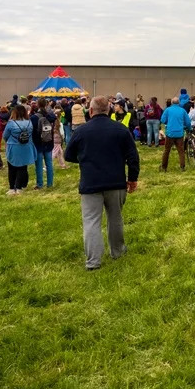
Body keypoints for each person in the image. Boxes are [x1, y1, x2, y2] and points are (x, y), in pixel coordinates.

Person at [64, 95, 140, 271]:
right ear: (110, 110)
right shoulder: (120, 130)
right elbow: (133, 157)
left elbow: (68, 155)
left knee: (91, 221)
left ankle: (93, 261)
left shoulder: (81, 131)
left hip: (90, 183)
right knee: (115, 218)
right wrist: (133, 178)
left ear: (90, 111)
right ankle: (118, 251)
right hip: (116, 182)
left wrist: (84, 159)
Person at [3, 104, 36, 196]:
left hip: (14, 147)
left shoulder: (11, 123)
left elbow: (5, 136)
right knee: (22, 168)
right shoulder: (29, 122)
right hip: (26, 147)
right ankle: (19, 188)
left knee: (12, 168)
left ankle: (11, 188)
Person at [160, 96, 192, 171]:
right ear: (179, 102)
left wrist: (168, 122)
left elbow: (163, 120)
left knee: (167, 150)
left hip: (170, 133)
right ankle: (182, 167)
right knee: (181, 151)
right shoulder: (182, 110)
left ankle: (164, 167)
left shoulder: (167, 110)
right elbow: (188, 122)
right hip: (180, 133)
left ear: (171, 102)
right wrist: (189, 128)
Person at [32, 99, 57, 189]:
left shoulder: (34, 117)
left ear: (38, 105)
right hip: (49, 141)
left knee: (39, 164)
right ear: (46, 105)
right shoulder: (51, 116)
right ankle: (50, 183)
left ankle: (40, 184)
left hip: (38, 142)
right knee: (49, 163)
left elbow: (32, 131)